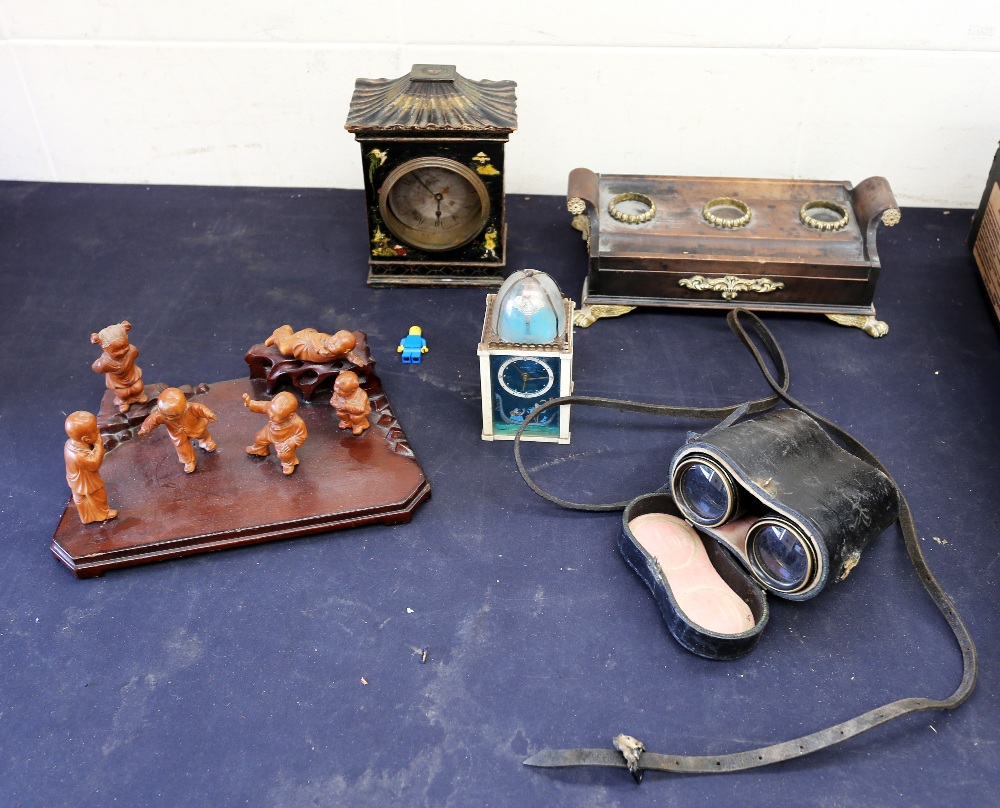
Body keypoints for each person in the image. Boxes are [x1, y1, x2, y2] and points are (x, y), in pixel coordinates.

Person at [138, 388, 217, 473]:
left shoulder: (191, 407)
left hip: (195, 427)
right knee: (183, 449)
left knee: (203, 435)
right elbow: (151, 420)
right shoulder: (162, 415)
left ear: (184, 407)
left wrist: (209, 414)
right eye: (166, 416)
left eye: (174, 416)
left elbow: (201, 409)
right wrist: (144, 428)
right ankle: (189, 461)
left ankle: (206, 442)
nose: (169, 418)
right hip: (178, 435)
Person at [64, 411, 118, 524]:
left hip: (78, 480)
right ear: (85, 439)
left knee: (82, 498)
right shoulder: (78, 455)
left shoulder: (71, 443)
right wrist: (98, 445)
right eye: (95, 431)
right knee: (98, 496)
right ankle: (101, 514)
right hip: (84, 482)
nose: (98, 431)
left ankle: (87, 516)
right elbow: (94, 464)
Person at [243, 391, 308, 475]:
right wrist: (250, 403)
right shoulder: (271, 407)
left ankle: (288, 463)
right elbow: (261, 406)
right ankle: (259, 450)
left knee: (284, 454)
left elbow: (301, 436)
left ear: (290, 416)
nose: (271, 416)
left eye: (276, 417)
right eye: (271, 412)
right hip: (269, 431)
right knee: (259, 437)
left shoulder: (297, 422)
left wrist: (291, 442)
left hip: (284, 440)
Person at [90, 321, 146, 412]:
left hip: (132, 375)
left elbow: (135, 354)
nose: (122, 352)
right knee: (123, 393)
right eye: (116, 351)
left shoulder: (132, 351)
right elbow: (96, 368)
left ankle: (138, 396)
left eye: (125, 347)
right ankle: (123, 402)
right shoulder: (104, 362)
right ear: (104, 348)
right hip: (118, 381)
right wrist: (100, 364)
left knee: (138, 387)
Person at [330, 371, 371, 435]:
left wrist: (346, 407)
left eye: (343, 390)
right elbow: (332, 401)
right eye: (336, 386)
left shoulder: (361, 395)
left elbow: (361, 409)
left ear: (352, 391)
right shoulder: (337, 392)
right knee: (340, 414)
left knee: (355, 418)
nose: (337, 391)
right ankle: (346, 422)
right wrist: (337, 405)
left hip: (357, 413)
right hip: (343, 410)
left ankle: (359, 425)